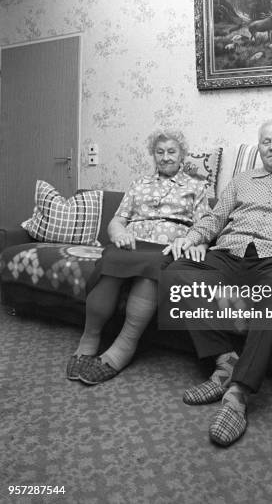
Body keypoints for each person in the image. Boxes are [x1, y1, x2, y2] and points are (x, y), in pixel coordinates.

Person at [162, 119, 272, 446]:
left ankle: (238, 393)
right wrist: (192, 238)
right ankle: (224, 362)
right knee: (175, 272)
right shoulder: (241, 181)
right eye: (266, 142)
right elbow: (214, 219)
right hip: (230, 253)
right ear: (259, 147)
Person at [67, 129, 209, 385]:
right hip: (131, 243)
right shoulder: (138, 183)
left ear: (182, 155)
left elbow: (204, 226)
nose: (165, 157)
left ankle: (124, 346)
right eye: (160, 152)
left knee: (153, 268)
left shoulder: (197, 187)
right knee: (111, 259)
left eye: (171, 152)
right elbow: (118, 220)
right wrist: (119, 232)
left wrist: (193, 241)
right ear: (153, 155)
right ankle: (89, 338)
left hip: (165, 248)